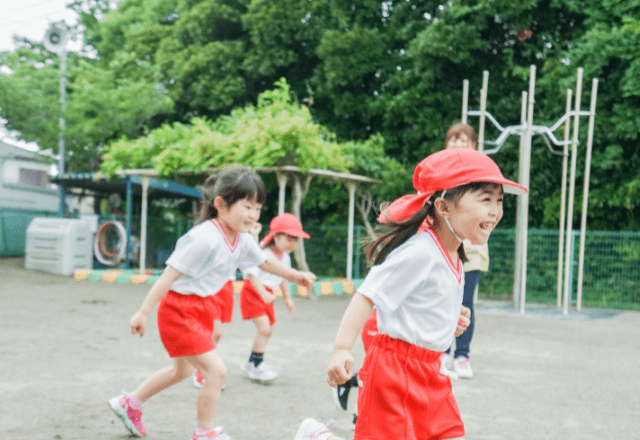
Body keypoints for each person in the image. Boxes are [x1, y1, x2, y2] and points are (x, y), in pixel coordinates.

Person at [326, 148, 526, 440]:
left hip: (431, 369)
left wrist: (449, 320)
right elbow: (367, 295)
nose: (496, 211)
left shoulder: (456, 252)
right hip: (396, 371)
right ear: (444, 208)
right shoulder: (420, 251)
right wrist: (342, 348)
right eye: (485, 200)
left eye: (499, 201)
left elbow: (426, 301)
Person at [108, 165, 316, 440]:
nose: (253, 215)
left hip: (203, 308)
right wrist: (143, 312)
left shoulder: (240, 239)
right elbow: (169, 275)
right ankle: (204, 432)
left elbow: (264, 260)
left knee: (181, 371)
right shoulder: (203, 238)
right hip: (179, 310)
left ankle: (130, 403)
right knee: (216, 371)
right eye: (247, 206)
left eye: (257, 208)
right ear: (220, 204)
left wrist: (296, 275)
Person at [442, 122, 490, 379]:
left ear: (473, 145)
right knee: (440, 299)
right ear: (446, 143)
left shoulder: (481, 173)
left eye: (464, 140)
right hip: (441, 244)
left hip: (470, 246)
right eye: (454, 139)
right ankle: (440, 354)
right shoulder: (439, 170)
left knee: (465, 303)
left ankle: (462, 356)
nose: (459, 144)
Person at [239, 213, 310, 382]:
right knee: (264, 329)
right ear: (276, 236)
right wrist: (262, 293)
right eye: (289, 238)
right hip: (254, 291)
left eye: (296, 240)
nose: (293, 244)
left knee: (267, 331)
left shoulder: (285, 257)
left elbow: (284, 277)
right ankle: (257, 365)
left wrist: (287, 298)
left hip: (268, 294)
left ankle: (251, 363)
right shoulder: (263, 253)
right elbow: (251, 274)